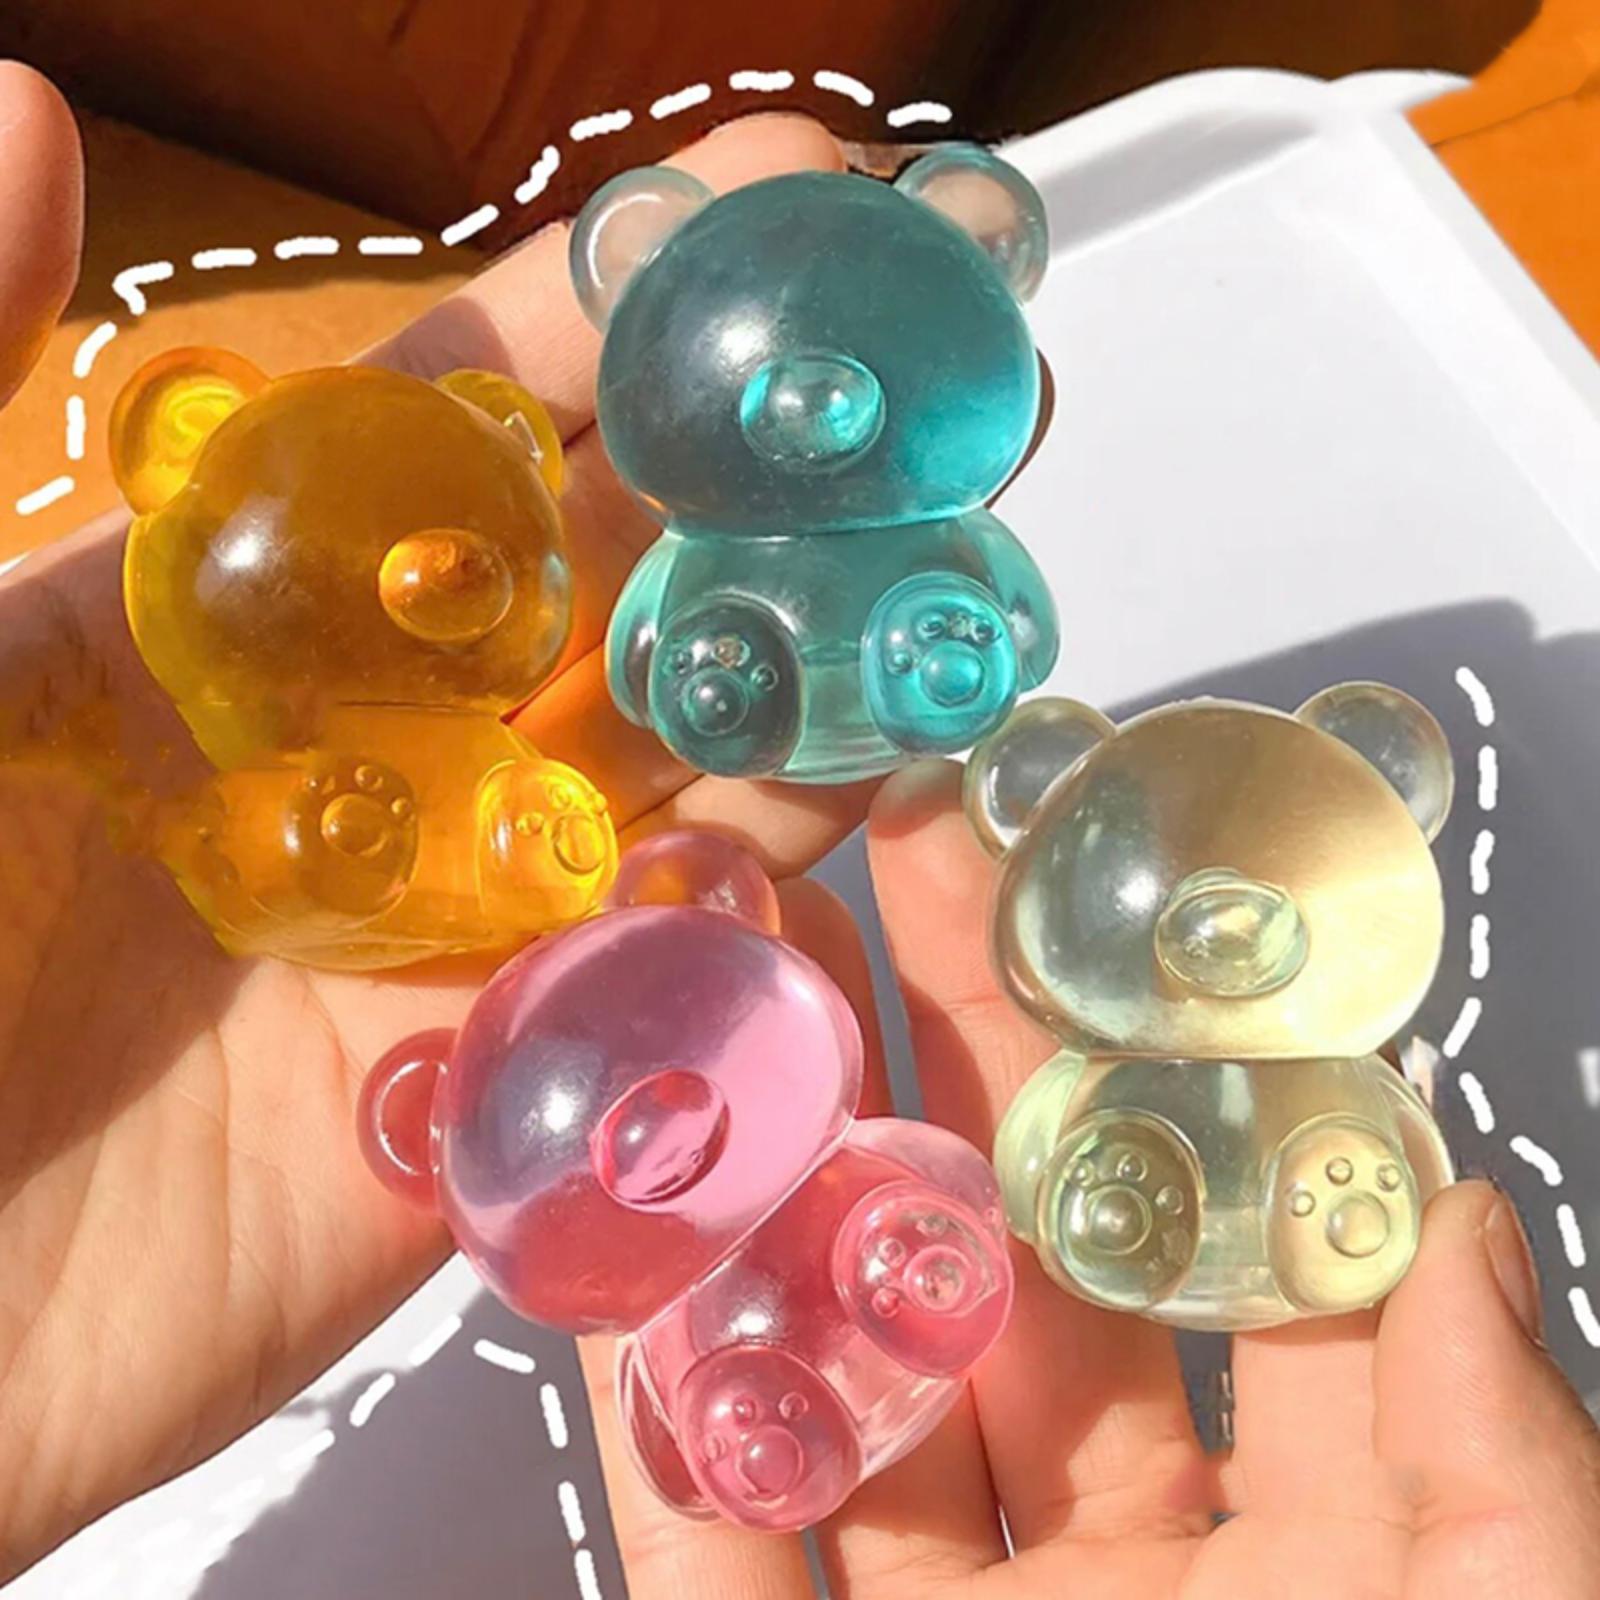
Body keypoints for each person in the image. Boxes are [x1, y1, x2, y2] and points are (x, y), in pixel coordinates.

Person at [0, 59, 1596, 1598]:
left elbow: (1009, 625)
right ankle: (819, 1309)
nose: (820, 399)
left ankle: (908, 1200)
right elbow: (647, 657)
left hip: (865, 975)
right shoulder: (642, 588)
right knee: (813, 1253)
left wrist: (931, 650)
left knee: (933, 1192)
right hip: (415, 791)